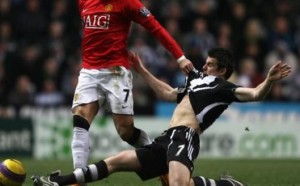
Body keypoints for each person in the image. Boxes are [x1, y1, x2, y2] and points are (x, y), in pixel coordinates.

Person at [31, 48, 291, 186]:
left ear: (222, 70)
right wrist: (142, 70)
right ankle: (59, 181)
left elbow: (256, 94)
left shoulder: (224, 88)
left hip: (185, 136)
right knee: (115, 161)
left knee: (178, 185)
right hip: (165, 140)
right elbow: (167, 93)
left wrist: (268, 79)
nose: (204, 66)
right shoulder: (195, 82)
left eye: (210, 64)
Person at [69, 0, 194, 176]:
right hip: (89, 70)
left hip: (116, 72)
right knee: (80, 118)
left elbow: (155, 28)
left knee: (125, 131)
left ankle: (158, 160)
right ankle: (77, 177)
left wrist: (180, 56)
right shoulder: (84, 1)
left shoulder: (125, 1)